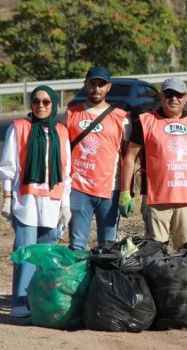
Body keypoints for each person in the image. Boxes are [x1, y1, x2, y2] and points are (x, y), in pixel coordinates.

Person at [0, 85, 72, 318]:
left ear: (53, 104)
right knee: (26, 251)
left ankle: (41, 301)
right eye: (36, 101)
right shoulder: (18, 128)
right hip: (26, 201)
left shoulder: (61, 131)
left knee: (47, 254)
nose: (41, 106)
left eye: (46, 102)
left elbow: (66, 169)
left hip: (52, 202)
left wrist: (65, 204)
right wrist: (7, 198)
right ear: (31, 104)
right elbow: (9, 166)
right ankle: (20, 301)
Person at [120, 77, 187, 249]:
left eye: (178, 95)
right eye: (169, 95)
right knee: (155, 251)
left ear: (185, 97)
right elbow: (129, 157)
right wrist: (126, 192)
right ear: (162, 97)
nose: (174, 99)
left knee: (186, 250)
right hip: (156, 198)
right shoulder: (145, 121)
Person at [65, 66, 131, 251]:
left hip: (110, 189)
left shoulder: (121, 118)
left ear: (108, 87)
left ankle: (104, 280)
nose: (96, 89)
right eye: (92, 84)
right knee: (77, 245)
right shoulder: (71, 114)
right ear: (85, 85)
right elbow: (62, 149)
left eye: (101, 85)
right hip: (78, 189)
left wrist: (127, 190)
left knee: (108, 246)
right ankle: (79, 280)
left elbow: (128, 157)